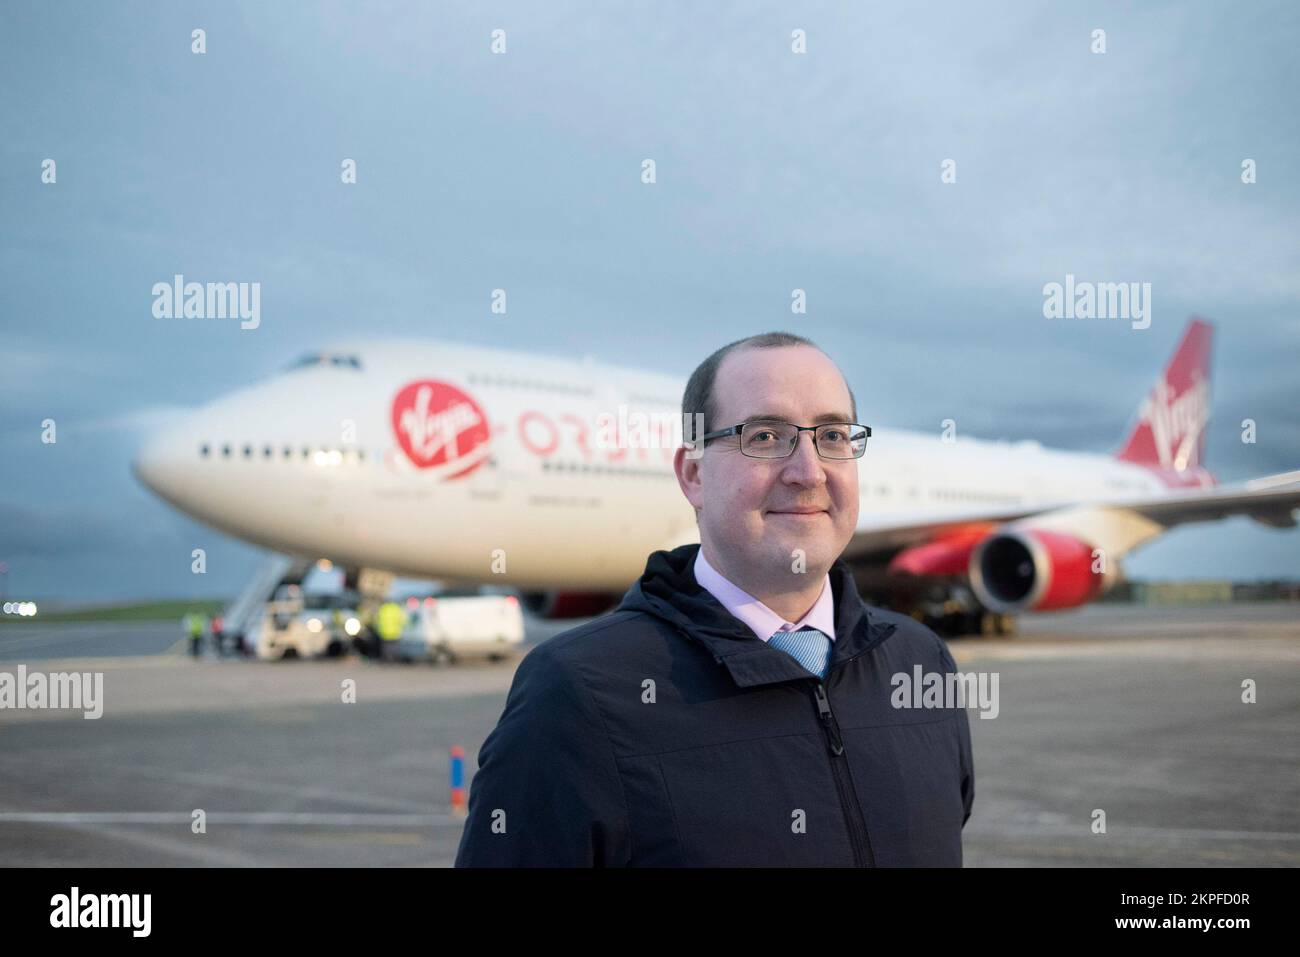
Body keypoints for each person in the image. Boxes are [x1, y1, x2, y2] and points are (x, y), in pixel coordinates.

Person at [455, 331, 975, 867]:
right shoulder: (577, 693)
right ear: (694, 474)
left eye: (833, 436)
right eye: (766, 436)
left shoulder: (921, 661)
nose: (808, 471)